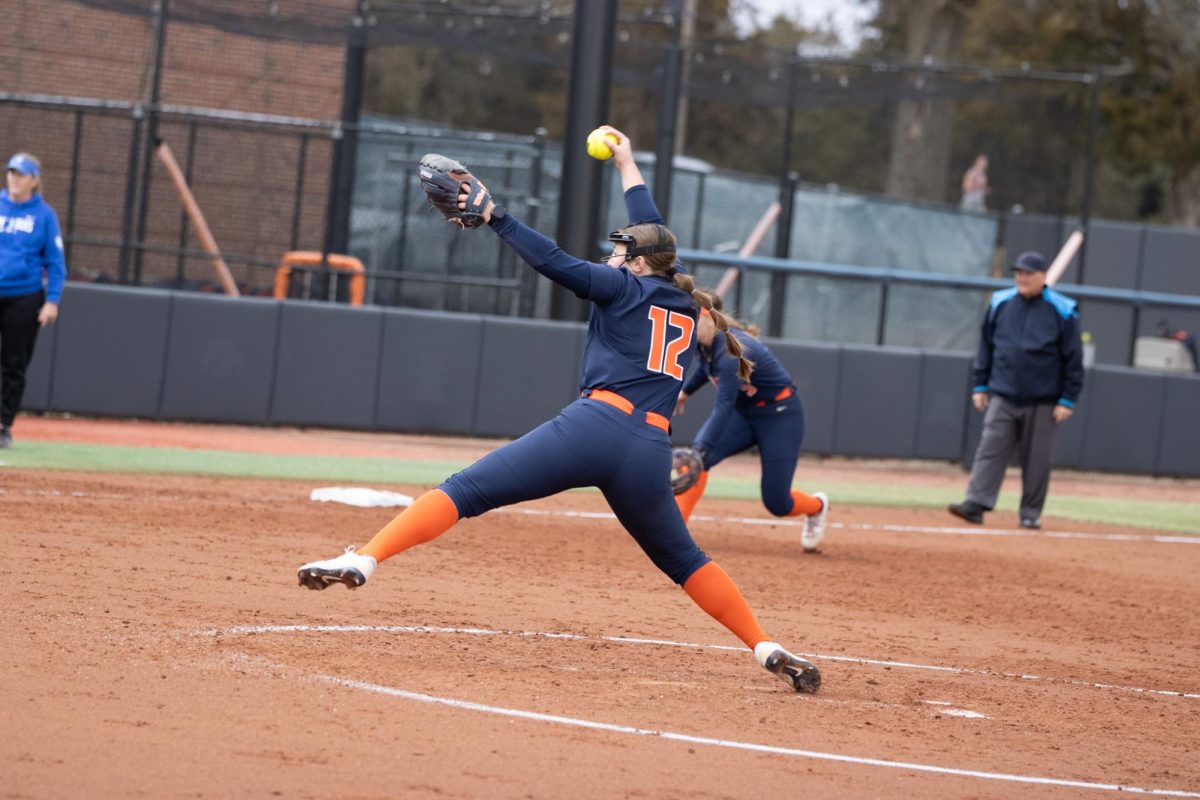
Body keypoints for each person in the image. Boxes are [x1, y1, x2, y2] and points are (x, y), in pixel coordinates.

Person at [297, 126, 821, 694]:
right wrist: (626, 163)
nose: (613, 254)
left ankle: (367, 559)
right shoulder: (675, 291)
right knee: (685, 559)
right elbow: (652, 224)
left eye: (622, 251)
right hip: (649, 449)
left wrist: (497, 217)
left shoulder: (622, 286)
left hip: (594, 427)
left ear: (640, 264)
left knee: (464, 491)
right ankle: (763, 643)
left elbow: (552, 261)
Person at [672, 300, 828, 551]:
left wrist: (700, 449)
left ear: (710, 319)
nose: (688, 325)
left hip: (780, 415)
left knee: (778, 503)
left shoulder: (733, 351)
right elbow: (705, 369)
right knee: (697, 462)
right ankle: (675, 532)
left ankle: (817, 506)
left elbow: (723, 406)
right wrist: (686, 393)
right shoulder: (705, 344)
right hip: (745, 413)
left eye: (694, 319)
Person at [948, 251, 1084, 529]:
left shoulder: (1063, 309)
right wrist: (980, 384)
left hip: (1044, 398)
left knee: (1037, 459)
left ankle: (1030, 513)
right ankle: (976, 503)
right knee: (989, 449)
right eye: (1019, 272)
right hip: (1003, 391)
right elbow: (986, 346)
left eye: (1028, 273)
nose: (1022, 278)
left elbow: (1073, 359)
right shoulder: (1000, 302)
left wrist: (1067, 399)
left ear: (1043, 276)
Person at [0, 152, 66, 449]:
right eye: (11, 172)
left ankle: (3, 425)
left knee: (13, 364)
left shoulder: (44, 215)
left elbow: (55, 262)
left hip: (24, 298)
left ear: (34, 180)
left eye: (21, 174)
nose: (14, 179)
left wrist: (52, 300)